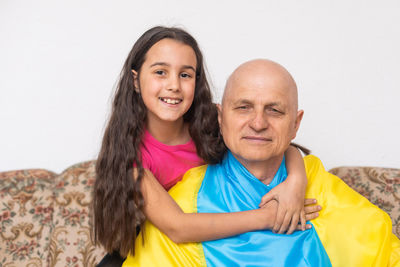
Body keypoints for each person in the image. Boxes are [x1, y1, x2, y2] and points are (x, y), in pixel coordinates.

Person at [122, 59, 400, 267]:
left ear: (296, 124)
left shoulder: (323, 190)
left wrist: (297, 177)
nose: (258, 123)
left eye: (274, 110)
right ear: (220, 117)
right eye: (243, 107)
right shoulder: (185, 200)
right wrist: (269, 217)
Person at [93, 27, 318, 266]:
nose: (174, 85)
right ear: (135, 81)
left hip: (213, 247)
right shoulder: (131, 157)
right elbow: (179, 227)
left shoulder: (211, 121)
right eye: (160, 72)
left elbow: (280, 145)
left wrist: (296, 182)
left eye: (185, 75)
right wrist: (268, 217)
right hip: (147, 253)